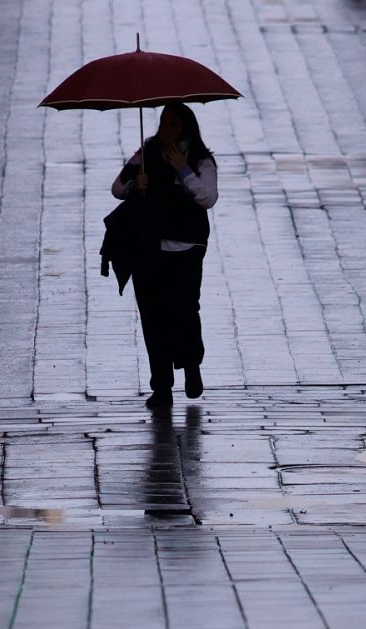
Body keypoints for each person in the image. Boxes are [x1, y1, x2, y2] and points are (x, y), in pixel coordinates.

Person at [111, 103, 218, 410]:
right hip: (148, 247)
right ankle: (161, 387)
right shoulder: (146, 153)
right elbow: (117, 187)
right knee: (153, 317)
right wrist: (135, 184)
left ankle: (191, 365)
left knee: (184, 310)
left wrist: (182, 170)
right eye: (162, 123)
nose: (164, 130)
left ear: (185, 130)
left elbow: (207, 197)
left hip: (187, 248)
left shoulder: (201, 160)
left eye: (172, 124)